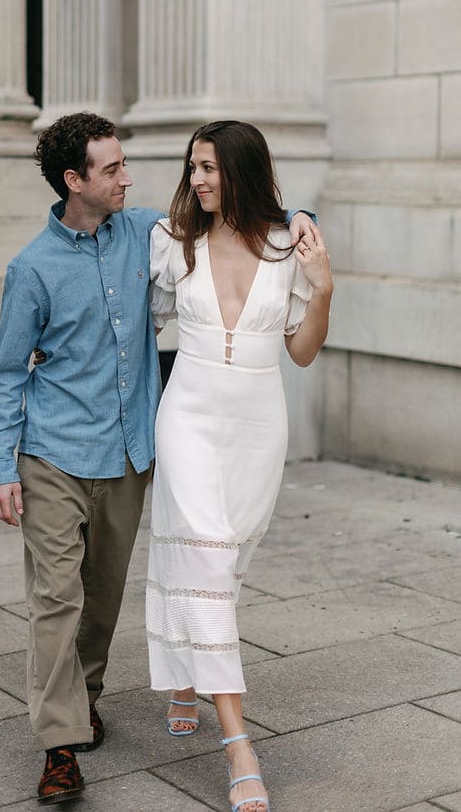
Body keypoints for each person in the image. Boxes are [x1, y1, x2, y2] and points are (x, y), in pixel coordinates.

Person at [0, 112, 316, 805]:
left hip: (129, 450)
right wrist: (0, 465)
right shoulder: (32, 268)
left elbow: (246, 215)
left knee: (102, 599)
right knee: (57, 598)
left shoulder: (145, 234)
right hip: (54, 450)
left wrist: (302, 216)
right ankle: (60, 745)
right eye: (112, 168)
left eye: (125, 164)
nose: (129, 178)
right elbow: (7, 373)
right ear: (74, 181)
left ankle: (87, 698)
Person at [146, 120, 333, 812]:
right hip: (187, 420)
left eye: (211, 168)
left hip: (257, 429)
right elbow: (140, 322)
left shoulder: (288, 247)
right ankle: (238, 747)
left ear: (242, 171)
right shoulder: (171, 241)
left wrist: (324, 290)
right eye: (193, 166)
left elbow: (302, 352)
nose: (197, 179)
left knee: (223, 564)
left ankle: (185, 675)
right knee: (204, 555)